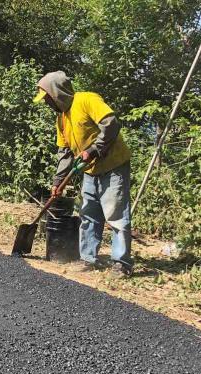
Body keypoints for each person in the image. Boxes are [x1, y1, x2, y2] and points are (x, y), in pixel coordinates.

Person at [33, 71, 133, 277]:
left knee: (116, 216)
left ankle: (121, 263)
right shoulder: (61, 119)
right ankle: (88, 258)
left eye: (47, 99)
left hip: (113, 166)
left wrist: (95, 149)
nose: (46, 103)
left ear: (57, 93)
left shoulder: (86, 100)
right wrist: (57, 182)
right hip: (90, 170)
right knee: (88, 214)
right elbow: (65, 153)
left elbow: (111, 123)